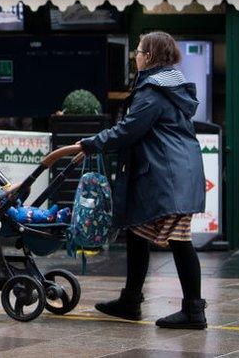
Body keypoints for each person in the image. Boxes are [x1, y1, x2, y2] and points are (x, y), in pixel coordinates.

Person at [74, 31, 207, 330]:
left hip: (170, 176)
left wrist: (90, 143)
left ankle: (194, 311)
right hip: (175, 172)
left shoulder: (154, 91)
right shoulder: (171, 83)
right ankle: (130, 301)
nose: (135, 54)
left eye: (139, 50)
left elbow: (128, 131)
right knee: (138, 233)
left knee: (180, 240)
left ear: (150, 56)